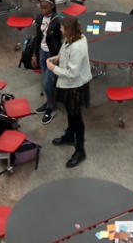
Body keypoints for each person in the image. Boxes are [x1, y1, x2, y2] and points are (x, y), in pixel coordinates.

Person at [46, 16, 91, 168]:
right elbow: (66, 52)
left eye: (62, 27)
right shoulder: (73, 38)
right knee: (72, 114)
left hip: (75, 87)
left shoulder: (77, 47)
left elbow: (73, 73)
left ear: (69, 29)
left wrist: (54, 68)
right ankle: (70, 136)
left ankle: (80, 150)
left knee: (76, 117)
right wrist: (59, 57)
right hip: (68, 85)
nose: (60, 29)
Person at [33, 0, 62, 124]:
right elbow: (37, 37)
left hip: (51, 56)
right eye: (41, 8)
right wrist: (34, 54)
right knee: (46, 80)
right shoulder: (40, 18)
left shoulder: (57, 21)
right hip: (41, 53)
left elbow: (60, 41)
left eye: (45, 8)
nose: (43, 10)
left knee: (47, 83)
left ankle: (51, 108)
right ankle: (49, 102)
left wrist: (57, 58)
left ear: (52, 6)